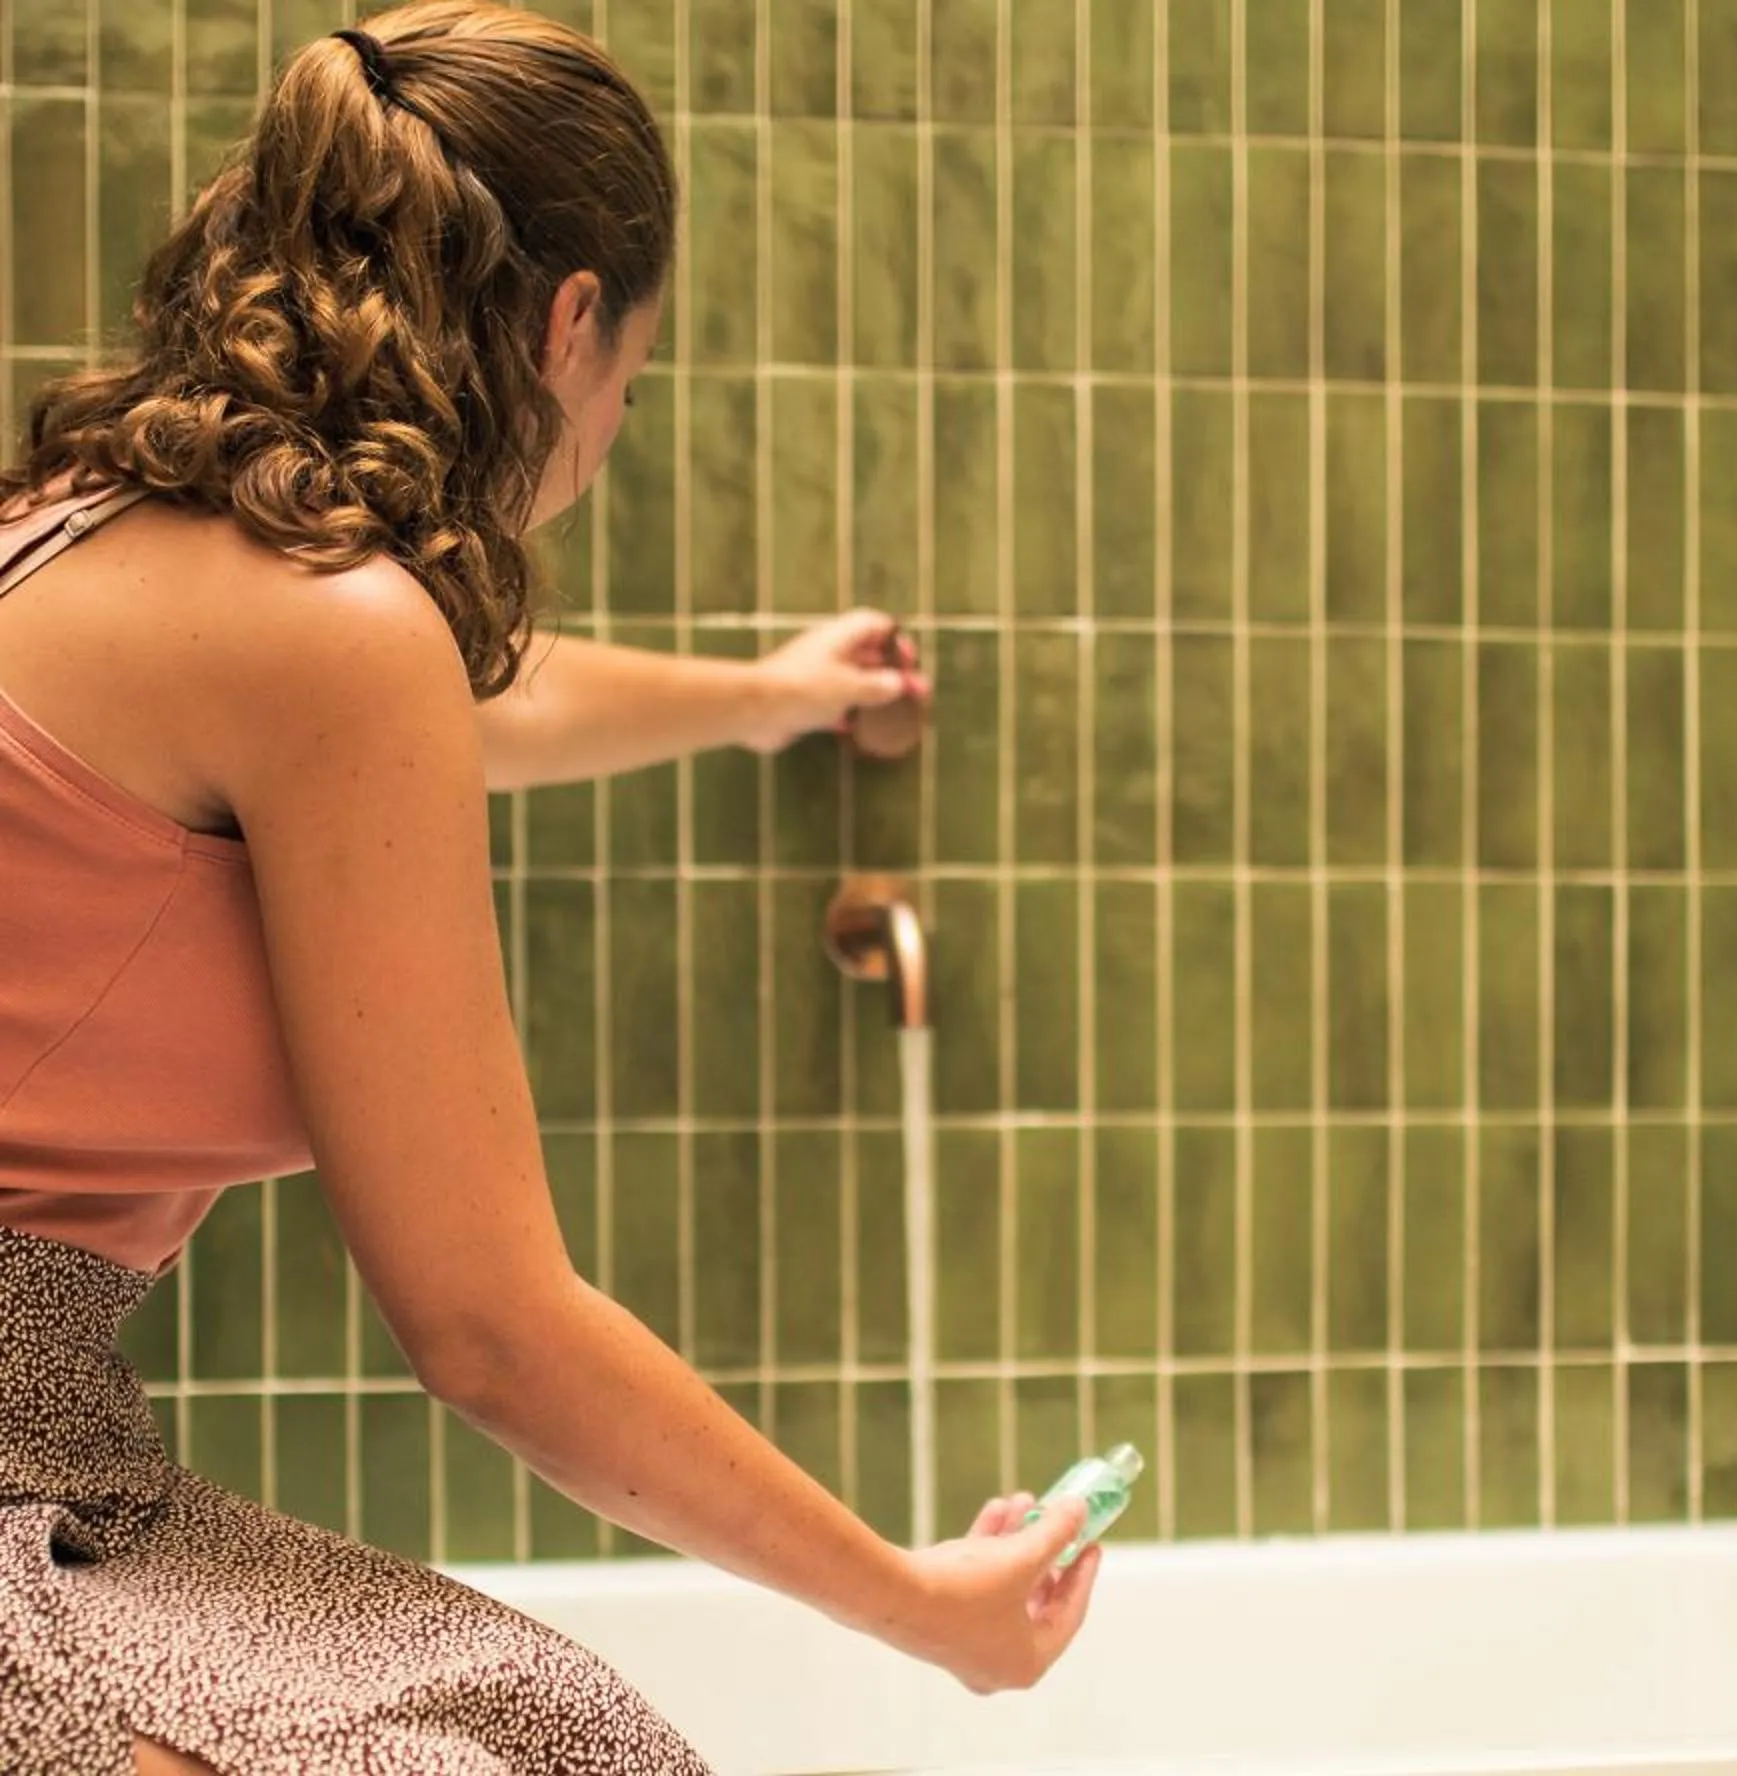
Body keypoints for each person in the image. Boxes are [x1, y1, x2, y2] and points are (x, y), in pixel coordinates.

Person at [0, 7, 1096, 1772]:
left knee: (571, 1733)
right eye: (628, 392)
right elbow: (493, 1329)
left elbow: (478, 707)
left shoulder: (115, 521)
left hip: (50, 1449)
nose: (600, 446)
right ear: (572, 321)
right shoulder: (328, 640)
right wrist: (918, 1604)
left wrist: (775, 702)